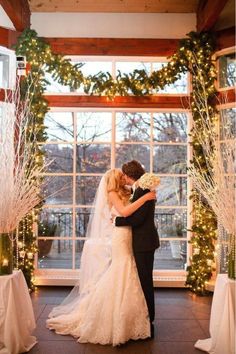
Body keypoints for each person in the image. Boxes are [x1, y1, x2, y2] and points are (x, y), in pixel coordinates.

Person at [46, 168, 156, 346]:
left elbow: (133, 212)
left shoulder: (128, 191)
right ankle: (112, 316)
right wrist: (145, 198)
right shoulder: (112, 193)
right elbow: (125, 212)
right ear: (114, 179)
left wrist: (143, 195)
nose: (124, 178)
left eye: (124, 176)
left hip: (130, 235)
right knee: (122, 268)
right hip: (121, 236)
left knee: (130, 271)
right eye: (121, 176)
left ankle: (132, 316)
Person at [114, 160, 160, 338]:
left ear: (129, 174)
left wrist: (117, 221)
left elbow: (137, 220)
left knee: (145, 280)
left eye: (124, 175)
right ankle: (146, 315)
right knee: (143, 279)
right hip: (144, 241)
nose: (123, 178)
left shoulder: (142, 190)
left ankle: (150, 319)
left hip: (144, 242)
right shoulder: (140, 190)